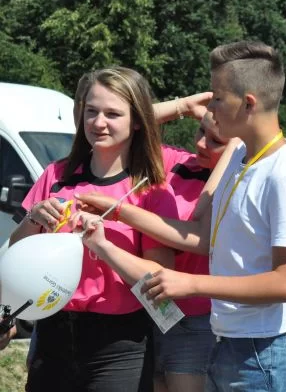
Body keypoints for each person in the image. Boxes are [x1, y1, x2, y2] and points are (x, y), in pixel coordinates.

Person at [76, 41, 286, 392]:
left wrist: (190, 283)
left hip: (266, 349)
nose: (209, 108)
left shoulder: (283, 175)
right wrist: (120, 211)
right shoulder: (240, 158)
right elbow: (203, 237)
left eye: (217, 98)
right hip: (233, 338)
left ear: (248, 104)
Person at [9, 66, 179, 392]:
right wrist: (33, 218)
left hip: (120, 344)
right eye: (91, 111)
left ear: (138, 120)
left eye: (112, 114)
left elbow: (161, 280)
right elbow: (15, 251)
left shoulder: (152, 191)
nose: (98, 123)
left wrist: (103, 247)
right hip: (52, 337)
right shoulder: (56, 175)